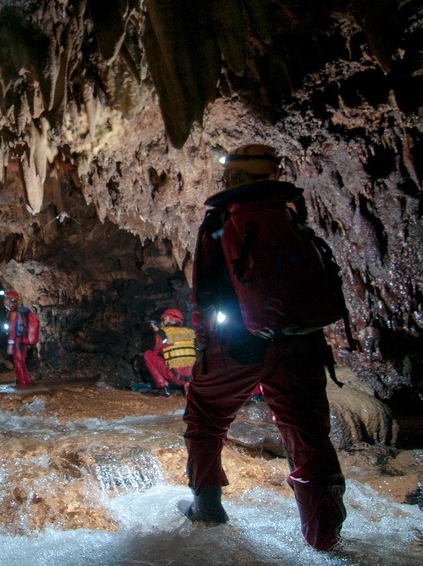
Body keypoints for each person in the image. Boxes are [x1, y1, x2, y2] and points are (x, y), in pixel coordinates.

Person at [182, 144, 347, 551]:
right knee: (308, 434)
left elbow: (204, 291)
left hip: (238, 343)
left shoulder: (222, 220)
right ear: (271, 176)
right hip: (301, 342)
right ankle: (323, 534)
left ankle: (207, 505)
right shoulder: (292, 217)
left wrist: (204, 344)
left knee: (204, 416)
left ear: (235, 179)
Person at [143, 308, 195, 397]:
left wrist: (157, 333)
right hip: (191, 377)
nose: (162, 323)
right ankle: (189, 389)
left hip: (175, 376)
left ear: (167, 319)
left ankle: (164, 389)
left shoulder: (163, 333)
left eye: (163, 320)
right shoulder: (190, 332)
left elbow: (156, 352)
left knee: (148, 354)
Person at [2, 290, 34, 386]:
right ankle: (28, 382)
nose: (4, 300)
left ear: (11, 300)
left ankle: (22, 383)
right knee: (22, 362)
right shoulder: (22, 312)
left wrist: (10, 345)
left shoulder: (13, 313)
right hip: (24, 340)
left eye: (5, 298)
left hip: (17, 341)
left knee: (18, 363)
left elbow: (12, 330)